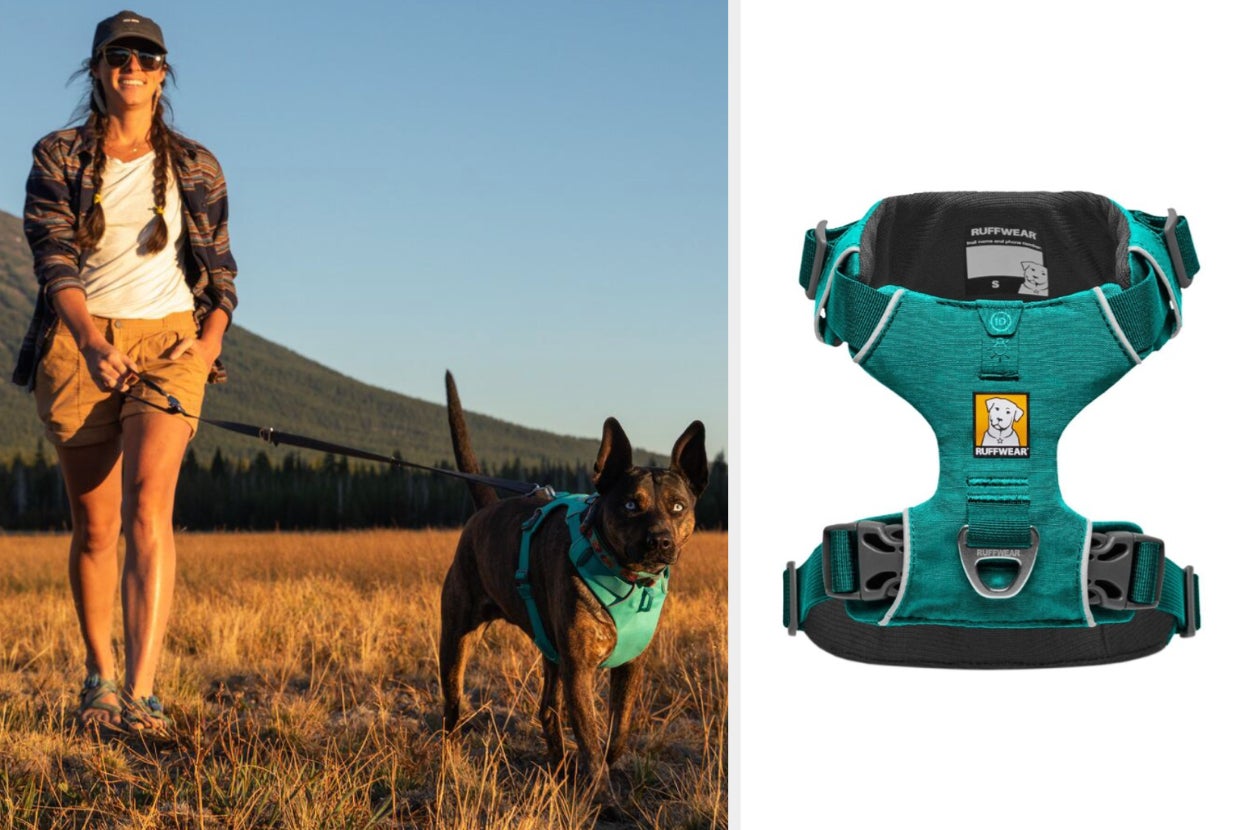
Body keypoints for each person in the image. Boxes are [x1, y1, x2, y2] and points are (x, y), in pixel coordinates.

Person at [12, 10, 237, 738]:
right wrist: (87, 340)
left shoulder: (197, 166)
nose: (132, 67)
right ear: (97, 68)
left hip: (171, 344)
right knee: (97, 527)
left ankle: (142, 694)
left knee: (148, 509)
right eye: (118, 56)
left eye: (146, 57)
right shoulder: (57, 155)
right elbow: (53, 259)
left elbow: (222, 275)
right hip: (80, 342)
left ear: (163, 73)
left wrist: (205, 345)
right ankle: (100, 678)